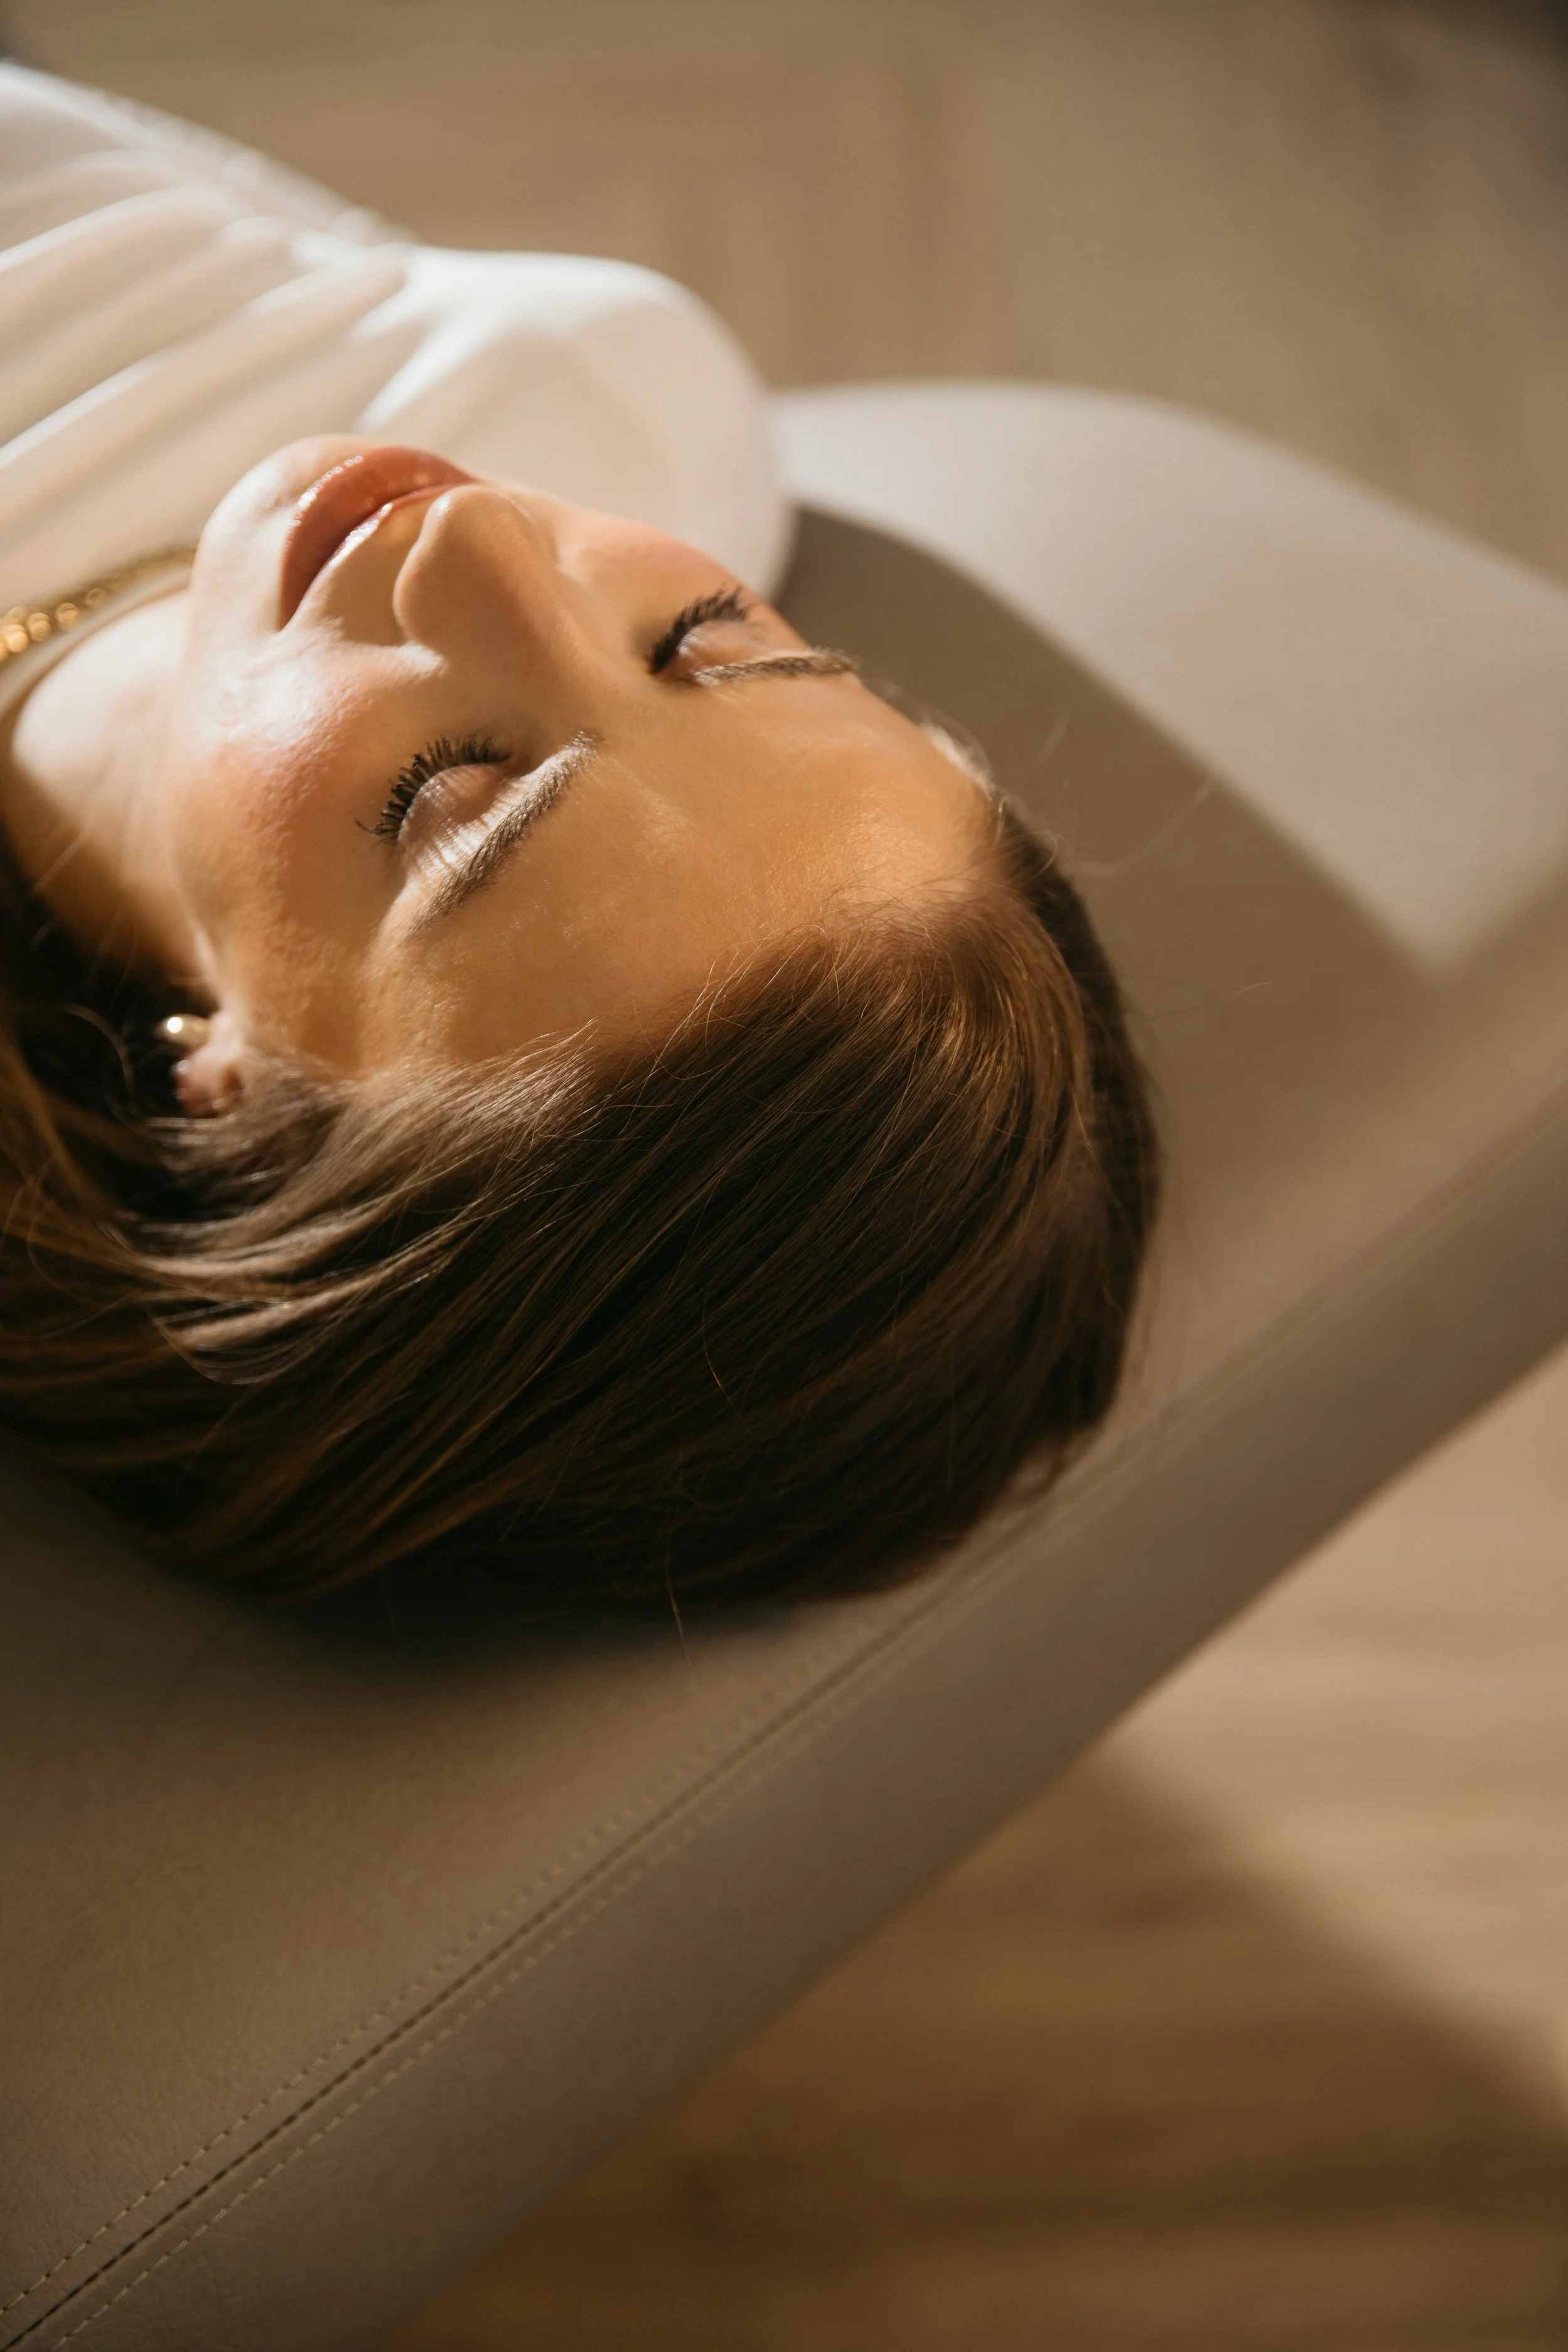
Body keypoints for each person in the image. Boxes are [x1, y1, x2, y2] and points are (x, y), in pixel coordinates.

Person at [0, 63, 1158, 1611]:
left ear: (237, 1092)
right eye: (702, 642)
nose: (476, 532)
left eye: (453, 803)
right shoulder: (600, 396)